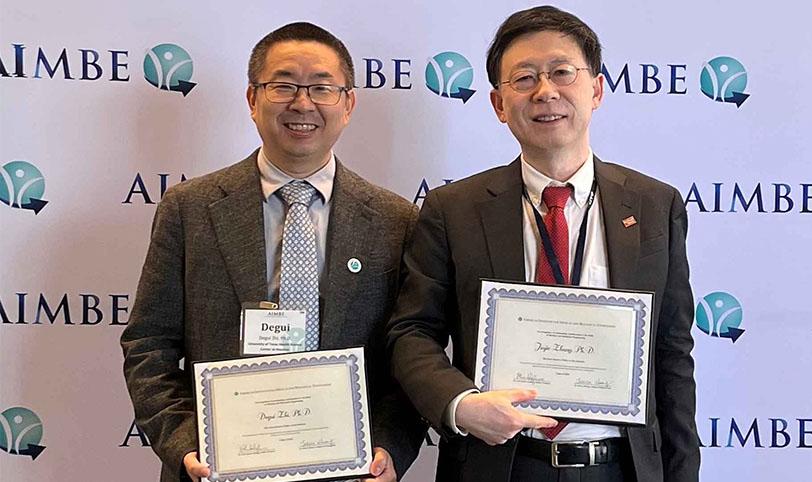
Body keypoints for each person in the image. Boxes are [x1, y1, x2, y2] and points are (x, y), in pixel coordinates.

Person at [387, 6, 699, 482]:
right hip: (500, 465)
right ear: (497, 103)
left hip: (620, 467)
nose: (546, 91)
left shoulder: (657, 205)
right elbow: (412, 333)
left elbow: (672, 354)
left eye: (561, 72)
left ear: (595, 89)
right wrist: (461, 404)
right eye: (525, 78)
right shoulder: (454, 209)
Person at [121, 22, 424, 482]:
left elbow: (409, 355)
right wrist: (184, 448)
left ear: (348, 104)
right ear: (252, 99)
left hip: (347, 471)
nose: (303, 103)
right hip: (217, 469)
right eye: (283, 85)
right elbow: (149, 346)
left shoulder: (394, 220)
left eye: (322, 88)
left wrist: (390, 447)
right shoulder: (189, 208)